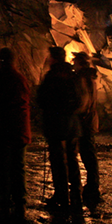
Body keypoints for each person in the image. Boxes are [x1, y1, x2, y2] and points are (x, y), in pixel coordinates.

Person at [0, 47, 31, 223]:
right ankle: (20, 206)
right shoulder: (20, 80)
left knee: (2, 169)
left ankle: (4, 205)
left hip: (2, 131)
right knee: (18, 169)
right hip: (19, 131)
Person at [37, 47, 82, 211]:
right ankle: (77, 194)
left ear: (53, 59)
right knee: (72, 159)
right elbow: (79, 100)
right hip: (71, 124)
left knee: (58, 161)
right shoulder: (73, 77)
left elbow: (41, 99)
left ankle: (62, 195)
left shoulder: (51, 77)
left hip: (55, 123)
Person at [73, 51, 101, 206]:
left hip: (85, 123)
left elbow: (84, 102)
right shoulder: (89, 78)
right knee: (89, 155)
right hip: (88, 122)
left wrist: (76, 115)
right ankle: (92, 184)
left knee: (88, 155)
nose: (73, 65)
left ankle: (92, 186)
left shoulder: (83, 79)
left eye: (75, 62)